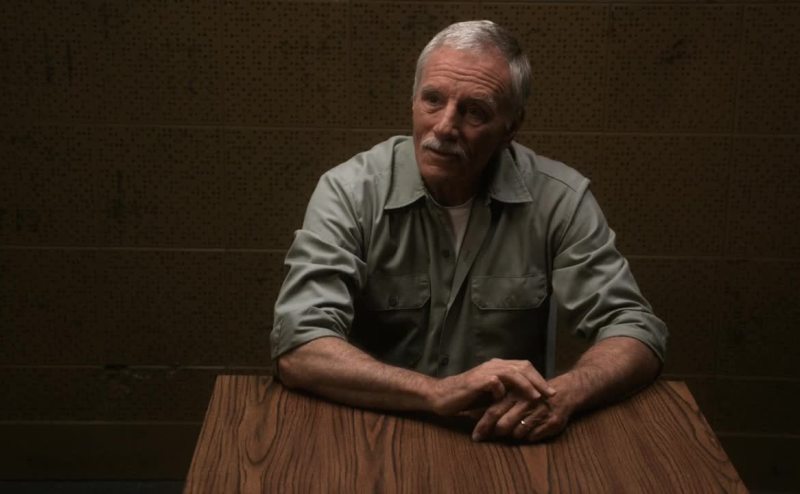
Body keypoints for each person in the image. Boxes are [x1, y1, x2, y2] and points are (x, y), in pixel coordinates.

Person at [271, 20, 667, 443]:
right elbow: (298, 347)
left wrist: (567, 392)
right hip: (373, 436)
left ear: (511, 128)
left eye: (474, 111)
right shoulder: (350, 192)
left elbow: (636, 328)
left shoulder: (560, 201)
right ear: (412, 100)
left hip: (503, 440)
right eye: (433, 100)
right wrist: (436, 392)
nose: (445, 126)